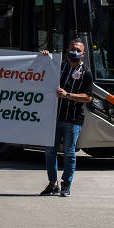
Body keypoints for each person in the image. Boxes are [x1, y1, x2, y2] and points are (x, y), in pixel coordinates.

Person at [40, 38, 93, 197]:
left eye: (78, 50)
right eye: (72, 48)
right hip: (54, 118)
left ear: (83, 54)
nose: (74, 52)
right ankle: (52, 183)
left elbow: (88, 97)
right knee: (50, 151)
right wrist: (45, 56)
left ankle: (66, 184)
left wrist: (68, 95)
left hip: (73, 120)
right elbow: (43, 72)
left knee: (69, 153)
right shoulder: (60, 66)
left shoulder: (86, 72)